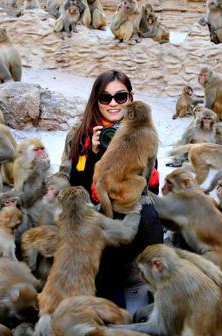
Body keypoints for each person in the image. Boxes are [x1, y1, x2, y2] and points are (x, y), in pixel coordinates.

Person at [63, 70, 163, 314]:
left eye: (120, 96)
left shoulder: (144, 132)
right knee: (96, 227)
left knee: (150, 215)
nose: (113, 104)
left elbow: (152, 187)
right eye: (105, 98)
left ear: (131, 98)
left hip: (130, 207)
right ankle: (110, 303)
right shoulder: (81, 135)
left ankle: (156, 291)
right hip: (97, 212)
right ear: (95, 101)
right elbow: (74, 189)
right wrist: (93, 154)